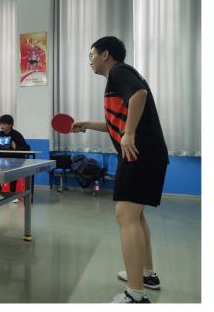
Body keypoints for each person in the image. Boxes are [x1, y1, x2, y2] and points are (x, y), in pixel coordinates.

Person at [68, 36, 168, 303]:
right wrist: (86, 124)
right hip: (147, 154)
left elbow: (139, 94)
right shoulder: (118, 79)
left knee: (125, 217)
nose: (90, 61)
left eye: (92, 55)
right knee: (136, 216)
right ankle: (147, 275)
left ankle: (135, 295)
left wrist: (130, 134)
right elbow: (117, 123)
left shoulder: (119, 72)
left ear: (106, 55)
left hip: (138, 154)